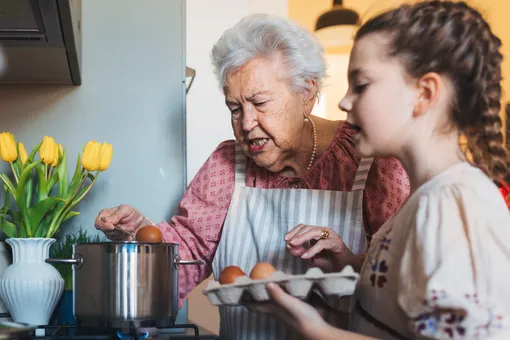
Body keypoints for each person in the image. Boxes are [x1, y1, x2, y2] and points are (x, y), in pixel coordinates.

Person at [94, 13, 410, 339]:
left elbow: (403, 277)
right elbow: (185, 256)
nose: (246, 123)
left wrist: (348, 259)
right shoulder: (227, 163)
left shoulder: (371, 161)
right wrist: (140, 234)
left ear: (307, 94)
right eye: (235, 108)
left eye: (260, 102)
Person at [248, 1, 510, 339]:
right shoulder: (425, 199)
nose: (343, 102)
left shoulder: (453, 202)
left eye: (361, 85)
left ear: (424, 93)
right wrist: (345, 271)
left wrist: (319, 333)